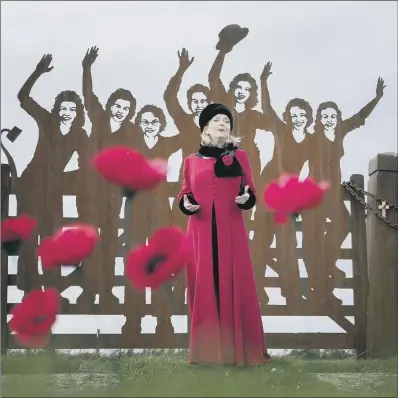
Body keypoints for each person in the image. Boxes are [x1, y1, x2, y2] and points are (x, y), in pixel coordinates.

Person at [177, 103, 271, 366]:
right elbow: (185, 192)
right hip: (201, 231)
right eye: (217, 120)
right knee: (206, 284)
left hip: (231, 231)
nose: (222, 124)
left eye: (226, 121)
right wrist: (185, 203)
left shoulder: (239, 156)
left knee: (235, 283)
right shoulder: (191, 161)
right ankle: (207, 354)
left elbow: (250, 191)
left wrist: (246, 198)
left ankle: (240, 351)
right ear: (205, 127)